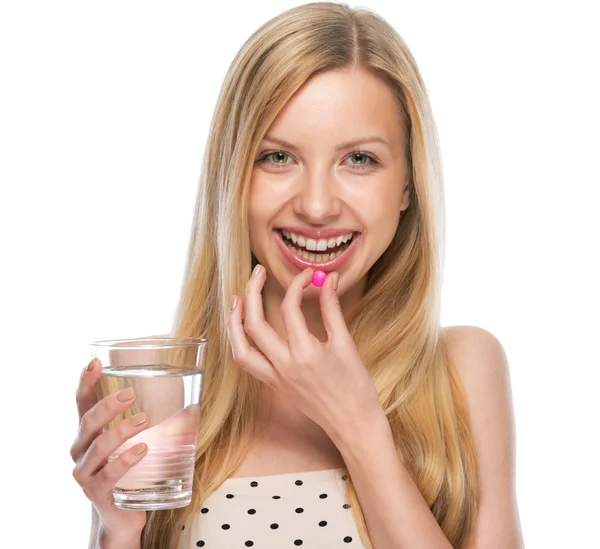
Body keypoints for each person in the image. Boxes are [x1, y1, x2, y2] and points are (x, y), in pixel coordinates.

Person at [71, 2, 524, 548]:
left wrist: (358, 425)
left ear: (408, 185)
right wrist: (115, 530)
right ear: (232, 179)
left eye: (359, 159)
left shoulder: (461, 369)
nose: (315, 206)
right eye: (277, 157)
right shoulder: (176, 390)